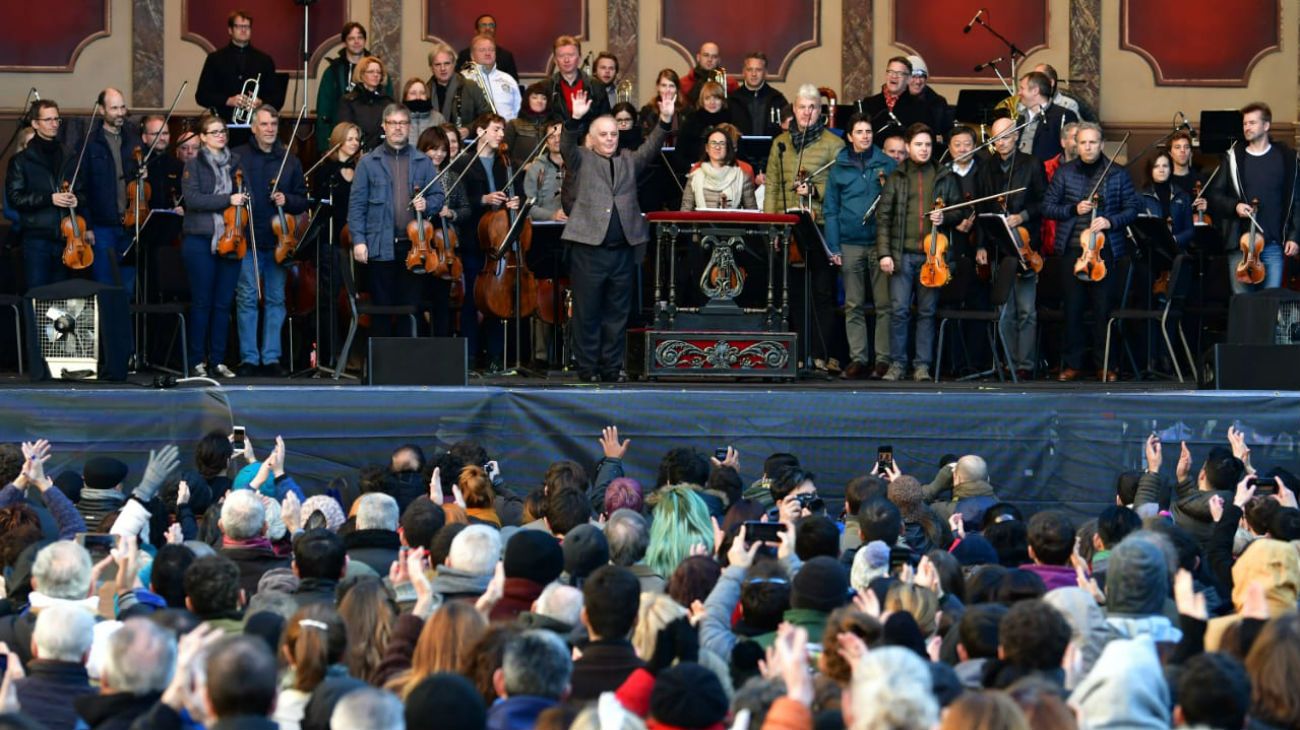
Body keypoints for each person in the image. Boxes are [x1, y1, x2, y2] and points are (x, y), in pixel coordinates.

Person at [561, 88, 674, 382]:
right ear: (593, 137)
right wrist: (574, 120)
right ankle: (587, 369)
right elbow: (565, 146)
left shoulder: (628, 160)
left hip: (623, 250)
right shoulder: (582, 159)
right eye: (604, 134)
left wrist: (664, 121)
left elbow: (651, 149)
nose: (611, 138)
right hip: (588, 250)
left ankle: (611, 368)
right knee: (587, 314)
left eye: (614, 134)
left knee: (617, 315)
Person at [1043, 122, 1140, 382]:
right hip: (1072, 249)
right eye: (1083, 142)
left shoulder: (1117, 173)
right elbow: (1048, 207)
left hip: (1105, 250)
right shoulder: (1064, 173)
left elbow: (1132, 208)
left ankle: (1105, 363)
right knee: (1072, 309)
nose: (1087, 147)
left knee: (1102, 309)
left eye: (1093, 142)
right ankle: (1073, 364)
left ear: (1101, 144)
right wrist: (1073, 210)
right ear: (1076, 144)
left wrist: (1110, 222)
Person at [763, 84, 847, 375]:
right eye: (801, 107)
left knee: (822, 292)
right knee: (795, 292)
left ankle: (821, 353)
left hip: (820, 225)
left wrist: (814, 190)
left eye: (812, 107)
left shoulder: (834, 145)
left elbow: (837, 187)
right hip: (788, 227)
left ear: (819, 110)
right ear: (794, 109)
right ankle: (798, 352)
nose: (806, 112)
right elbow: (773, 186)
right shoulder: (781, 143)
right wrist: (773, 226)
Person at [348, 103, 444, 339]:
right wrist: (359, 240)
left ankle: (406, 368)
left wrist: (428, 205)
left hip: (413, 249)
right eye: (393, 123)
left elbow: (439, 196)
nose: (398, 128)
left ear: (409, 127)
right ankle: (381, 369)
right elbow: (356, 206)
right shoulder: (368, 163)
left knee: (410, 310)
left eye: (402, 123)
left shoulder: (423, 161)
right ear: (384, 126)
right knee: (381, 310)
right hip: (380, 247)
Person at [877, 123, 962, 382]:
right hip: (901, 254)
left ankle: (922, 366)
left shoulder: (945, 175)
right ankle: (897, 364)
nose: (924, 149)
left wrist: (945, 216)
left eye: (927, 145)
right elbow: (884, 218)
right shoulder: (897, 176)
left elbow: (960, 210)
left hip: (932, 257)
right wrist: (884, 254)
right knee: (899, 311)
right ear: (907, 146)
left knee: (927, 312)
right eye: (918, 145)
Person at [232, 105, 308, 377]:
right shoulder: (238, 156)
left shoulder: (290, 160)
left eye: (273, 124)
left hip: (279, 243)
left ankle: (271, 357)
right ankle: (249, 358)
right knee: (247, 299)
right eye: (264, 124)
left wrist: (287, 200)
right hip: (248, 238)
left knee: (276, 300)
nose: (269, 129)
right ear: (254, 127)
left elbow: (302, 200)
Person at [823, 112, 897, 380]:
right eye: (860, 132)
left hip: (880, 244)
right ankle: (858, 359)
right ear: (850, 137)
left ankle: (883, 360)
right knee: (853, 304)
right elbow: (830, 209)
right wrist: (834, 246)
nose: (865, 136)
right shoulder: (838, 167)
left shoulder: (887, 164)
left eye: (868, 131)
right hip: (849, 243)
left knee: (883, 304)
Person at [974, 115, 1047, 380]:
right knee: (1005, 311)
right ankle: (1007, 363)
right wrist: (981, 245)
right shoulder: (986, 167)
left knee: (1026, 310)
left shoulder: (1032, 164)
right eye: (995, 138)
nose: (1000, 142)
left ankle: (1025, 364)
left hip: (1026, 245)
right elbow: (982, 209)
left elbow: (1044, 203)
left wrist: (1022, 216)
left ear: (1016, 136)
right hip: (998, 247)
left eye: (1005, 136)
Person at [1207, 101, 1300, 292]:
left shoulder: (1286, 158)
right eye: (1245, 123)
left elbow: (1297, 200)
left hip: (1274, 245)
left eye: (1252, 123)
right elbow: (1214, 195)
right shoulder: (1233, 158)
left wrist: (1294, 236)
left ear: (1266, 126)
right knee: (1243, 305)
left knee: (1270, 306)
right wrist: (1235, 206)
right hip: (1241, 246)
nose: (1247, 127)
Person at [179, 113, 243, 378]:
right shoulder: (193, 165)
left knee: (223, 303)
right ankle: (196, 360)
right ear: (203, 137)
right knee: (203, 302)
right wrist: (229, 199)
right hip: (200, 240)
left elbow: (244, 196)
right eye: (214, 132)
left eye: (223, 131)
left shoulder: (236, 163)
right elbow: (193, 200)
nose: (221, 135)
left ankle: (217, 359)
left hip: (233, 238)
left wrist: (241, 200)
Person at [456, 112, 520, 371]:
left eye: (502, 130)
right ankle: (469, 357)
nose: (501, 135)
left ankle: (495, 356)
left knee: (497, 300)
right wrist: (482, 200)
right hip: (475, 241)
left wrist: (516, 202)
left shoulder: (505, 164)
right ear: (480, 132)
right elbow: (457, 204)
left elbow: (519, 196)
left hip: (501, 243)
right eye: (495, 129)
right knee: (472, 299)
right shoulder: (463, 164)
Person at [6, 99, 87, 290]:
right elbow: (15, 198)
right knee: (37, 296)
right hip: (36, 240)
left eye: (57, 119)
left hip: (66, 240)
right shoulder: (21, 161)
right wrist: (49, 198)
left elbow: (83, 192)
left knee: (62, 299)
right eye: (48, 119)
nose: (54, 124)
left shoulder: (68, 154)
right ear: (35, 123)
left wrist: (77, 199)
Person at [82, 88, 142, 296]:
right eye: (114, 108)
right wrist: (87, 226)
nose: (119, 113)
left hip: (130, 225)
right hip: (102, 226)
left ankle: (123, 329)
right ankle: (106, 330)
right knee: (104, 286)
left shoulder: (134, 139)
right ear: (101, 110)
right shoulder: (89, 143)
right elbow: (82, 188)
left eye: (122, 107)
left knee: (127, 286)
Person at [416, 127, 471, 338]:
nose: (438, 154)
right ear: (424, 149)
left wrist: (451, 213)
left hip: (445, 245)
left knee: (441, 301)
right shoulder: (415, 175)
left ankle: (441, 348)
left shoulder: (453, 177)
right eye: (433, 149)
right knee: (418, 299)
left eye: (442, 150)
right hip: (420, 243)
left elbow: (466, 209)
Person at [194, 10, 283, 129]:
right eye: (239, 26)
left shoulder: (264, 60)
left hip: (255, 128)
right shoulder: (215, 59)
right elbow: (201, 96)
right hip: (223, 126)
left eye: (247, 26)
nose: (243, 30)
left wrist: (261, 102)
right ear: (230, 30)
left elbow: (277, 98)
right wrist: (228, 100)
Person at [316, 22, 392, 150]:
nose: (356, 42)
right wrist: (325, 145)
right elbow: (324, 111)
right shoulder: (333, 71)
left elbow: (389, 104)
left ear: (365, 40)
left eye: (360, 37)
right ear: (344, 42)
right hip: (340, 138)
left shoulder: (377, 69)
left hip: (375, 142)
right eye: (351, 38)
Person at [681, 126, 757, 210]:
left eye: (722, 143)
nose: (717, 147)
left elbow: (752, 212)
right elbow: (686, 211)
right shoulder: (694, 177)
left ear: (728, 148)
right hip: (702, 223)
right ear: (707, 148)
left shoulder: (742, 177)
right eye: (713, 143)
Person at [856, 56, 926, 146]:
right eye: (890, 72)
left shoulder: (919, 107)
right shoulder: (869, 103)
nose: (894, 76)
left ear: (908, 79)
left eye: (899, 73)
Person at [1016, 71, 1079, 163]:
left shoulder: (1064, 115)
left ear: (1035, 91)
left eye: (1022, 88)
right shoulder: (1019, 116)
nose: (1019, 93)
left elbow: (1073, 151)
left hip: (1049, 174)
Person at [1139, 151, 1195, 252]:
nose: (1161, 170)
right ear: (1150, 170)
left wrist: (1173, 240)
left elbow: (1190, 230)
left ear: (1170, 169)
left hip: (1178, 252)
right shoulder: (1140, 197)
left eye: (1165, 166)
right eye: (1156, 166)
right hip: (1151, 255)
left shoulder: (1183, 196)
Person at [338, 56, 397, 152]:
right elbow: (346, 130)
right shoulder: (349, 101)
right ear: (361, 75)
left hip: (383, 151)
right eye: (371, 72)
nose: (376, 75)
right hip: (357, 151)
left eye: (379, 72)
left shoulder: (388, 102)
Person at [548, 35, 608, 124]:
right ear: (555, 60)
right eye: (561, 56)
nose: (566, 60)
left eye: (571, 55)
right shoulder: (545, 87)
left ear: (579, 58)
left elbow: (605, 120)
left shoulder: (596, 86)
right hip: (558, 136)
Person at [730, 51, 788, 138]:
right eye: (750, 70)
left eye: (758, 70)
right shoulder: (732, 100)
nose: (754, 74)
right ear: (744, 72)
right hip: (740, 150)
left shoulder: (777, 99)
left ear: (765, 73)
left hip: (771, 150)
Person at [464, 35, 521, 122]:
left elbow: (518, 110)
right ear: (472, 55)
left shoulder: (508, 79)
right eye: (482, 50)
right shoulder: (463, 79)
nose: (488, 53)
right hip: (476, 133)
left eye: (491, 49)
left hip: (507, 132)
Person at [677, 81, 731, 168]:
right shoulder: (691, 121)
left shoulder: (730, 121)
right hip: (696, 170)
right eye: (707, 98)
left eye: (716, 98)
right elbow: (680, 153)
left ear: (722, 100)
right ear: (702, 101)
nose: (712, 102)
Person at [505, 82, 558, 170]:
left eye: (544, 98)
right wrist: (523, 166)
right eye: (534, 97)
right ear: (527, 100)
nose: (539, 101)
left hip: (549, 175)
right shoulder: (514, 124)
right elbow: (503, 155)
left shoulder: (555, 126)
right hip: (520, 176)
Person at [454, 14, 520, 83]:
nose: (488, 28)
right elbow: (457, 82)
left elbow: (513, 82)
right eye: (483, 25)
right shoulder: (464, 54)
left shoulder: (506, 56)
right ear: (476, 31)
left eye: (491, 25)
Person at [905, 56, 951, 141]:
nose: (918, 81)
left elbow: (949, 132)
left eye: (921, 76)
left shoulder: (938, 103)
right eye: (913, 76)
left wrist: (943, 138)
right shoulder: (894, 101)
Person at [402, 77, 447, 143]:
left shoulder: (438, 118)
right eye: (413, 93)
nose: (418, 97)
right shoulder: (398, 118)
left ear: (427, 96)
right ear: (406, 96)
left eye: (422, 93)